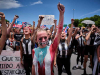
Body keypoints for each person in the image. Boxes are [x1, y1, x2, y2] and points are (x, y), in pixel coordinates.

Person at [32, 3, 65, 75]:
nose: (43, 40)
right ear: (36, 40)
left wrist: (61, 14)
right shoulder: (34, 51)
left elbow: (59, 31)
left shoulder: (52, 48)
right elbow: (34, 67)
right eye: (40, 38)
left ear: (48, 37)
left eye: (45, 37)